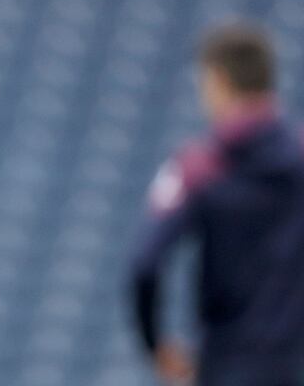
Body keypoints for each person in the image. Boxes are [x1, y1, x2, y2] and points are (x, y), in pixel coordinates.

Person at [130, 22, 304, 386]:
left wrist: (156, 346)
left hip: (227, 364)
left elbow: (145, 264)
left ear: (218, 81)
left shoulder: (198, 166)